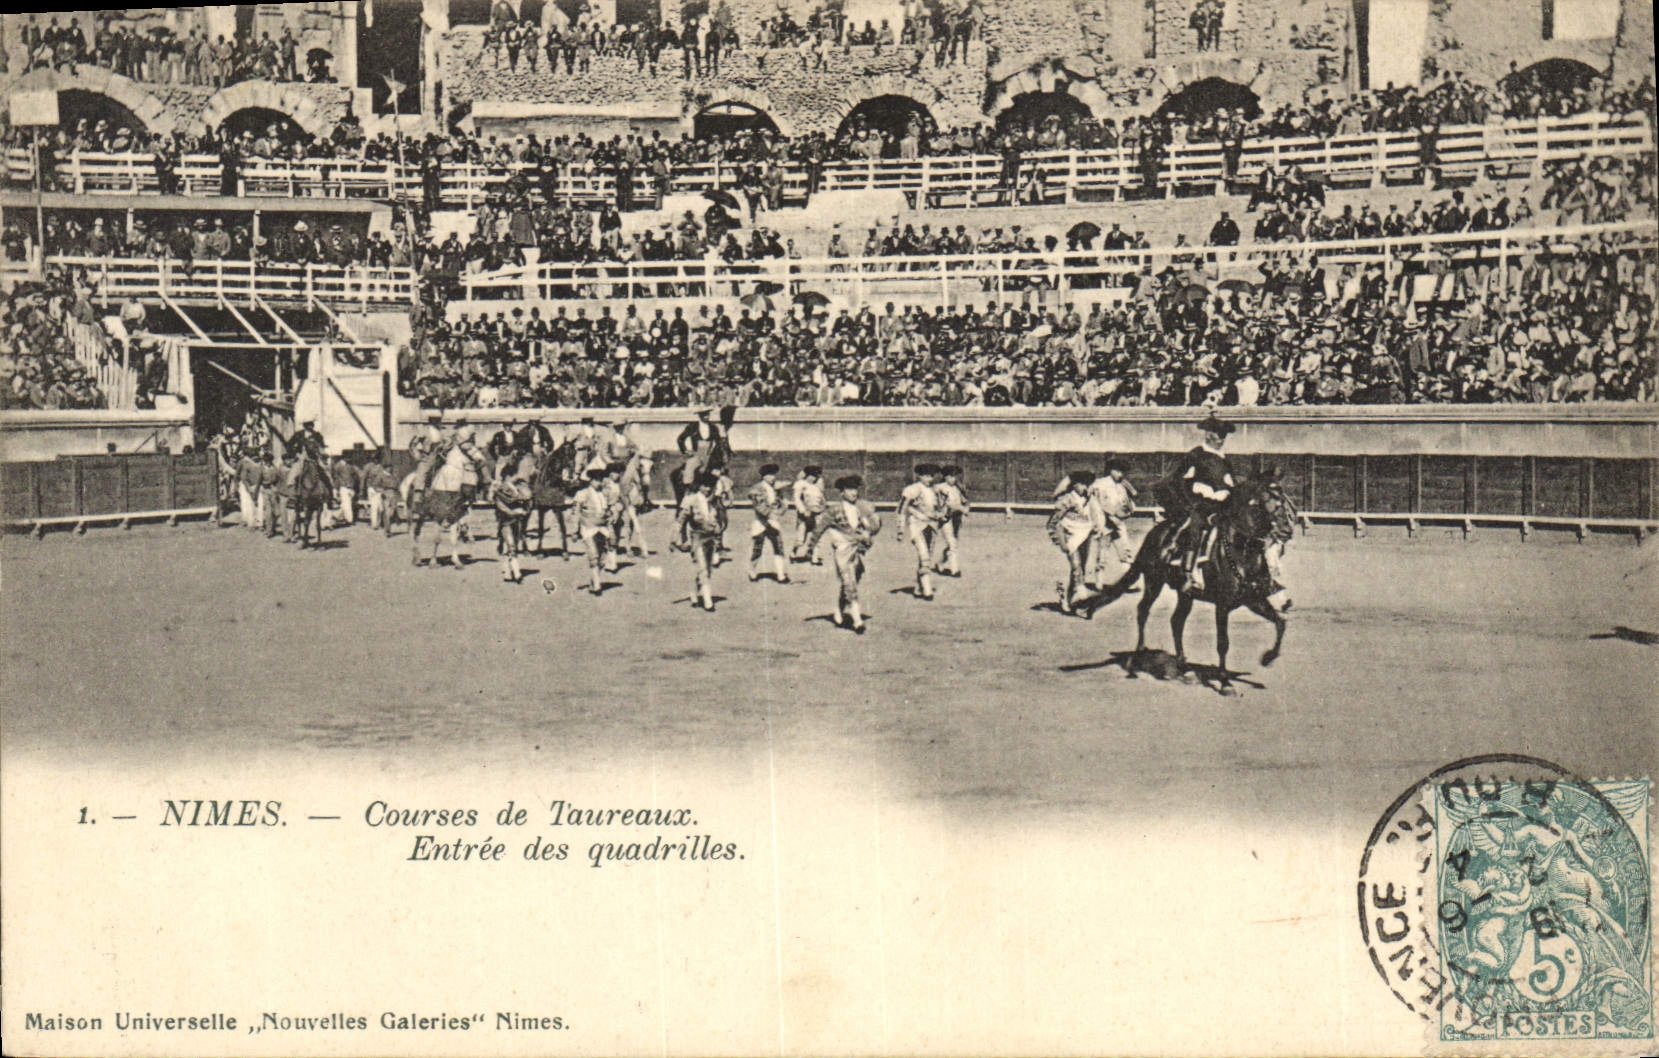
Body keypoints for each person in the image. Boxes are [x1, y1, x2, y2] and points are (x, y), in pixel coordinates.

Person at [1166, 414, 1237, 593]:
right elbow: (1179, 480)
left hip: (1221, 506)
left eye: (1224, 435)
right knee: (1195, 527)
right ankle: (1189, 570)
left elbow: (1231, 484)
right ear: (1208, 435)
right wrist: (1190, 503)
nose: (1221, 439)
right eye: (1218, 434)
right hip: (1200, 504)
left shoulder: (1224, 460)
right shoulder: (1196, 455)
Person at [805, 474, 882, 633]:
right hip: (842, 550)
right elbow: (819, 529)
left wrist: (870, 529)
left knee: (852, 579)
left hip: (857, 549)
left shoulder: (862, 508)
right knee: (849, 581)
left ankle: (839, 610)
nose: (854, 492)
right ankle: (857, 621)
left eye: (855, 489)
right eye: (849, 489)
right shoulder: (834, 510)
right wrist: (809, 549)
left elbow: (873, 527)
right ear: (842, 492)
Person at [1048, 469, 1096, 615]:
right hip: (1069, 536)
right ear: (1074, 485)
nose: (1085, 487)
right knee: (1076, 566)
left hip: (1085, 535)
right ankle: (1083, 599)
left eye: (1087, 484)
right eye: (1082, 484)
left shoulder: (1089, 497)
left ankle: (1067, 600)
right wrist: (1060, 542)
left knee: (1079, 568)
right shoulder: (1067, 499)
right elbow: (1053, 522)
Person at [675, 471, 723, 612]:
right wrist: (674, 539)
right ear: (699, 485)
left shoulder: (713, 501)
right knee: (702, 569)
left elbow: (717, 519)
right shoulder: (691, 499)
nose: (708, 489)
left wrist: (718, 531)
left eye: (710, 486)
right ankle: (708, 601)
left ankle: (693, 593)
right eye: (705, 486)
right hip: (697, 537)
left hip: (711, 538)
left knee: (707, 569)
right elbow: (680, 521)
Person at [896, 463, 944, 599]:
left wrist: (941, 515)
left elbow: (939, 509)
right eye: (927, 476)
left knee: (926, 556)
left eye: (932, 476)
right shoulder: (913, 489)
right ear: (920, 476)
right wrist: (900, 529)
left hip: (932, 525)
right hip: (917, 525)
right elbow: (901, 508)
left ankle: (918, 588)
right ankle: (927, 590)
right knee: (924, 556)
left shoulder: (935, 490)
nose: (930, 479)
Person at [1089, 459, 1139, 586]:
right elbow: (1101, 504)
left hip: (1118, 523)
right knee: (1103, 553)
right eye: (1118, 471)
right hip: (1105, 524)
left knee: (1125, 551)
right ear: (1111, 470)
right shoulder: (1100, 484)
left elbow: (1127, 503)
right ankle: (1099, 582)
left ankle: (1127, 582)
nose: (1120, 474)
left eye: (1122, 471)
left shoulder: (1122, 485)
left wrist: (1130, 509)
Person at [1259, 463, 1297, 611]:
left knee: (1272, 566)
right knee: (1272, 566)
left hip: (1273, 539)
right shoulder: (1276, 498)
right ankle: (1281, 600)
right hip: (1271, 538)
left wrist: (1277, 537)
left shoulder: (1275, 498)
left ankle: (1279, 599)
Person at [572, 465, 616, 594]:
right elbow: (576, 512)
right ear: (590, 481)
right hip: (588, 527)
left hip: (603, 528)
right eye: (596, 480)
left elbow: (611, 508)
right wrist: (575, 531)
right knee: (594, 556)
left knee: (603, 558)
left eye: (600, 480)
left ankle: (594, 581)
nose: (598, 482)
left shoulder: (605, 494)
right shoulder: (583, 494)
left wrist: (612, 515)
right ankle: (597, 586)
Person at [746, 463, 792, 584]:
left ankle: (781, 575)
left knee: (778, 547)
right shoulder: (757, 488)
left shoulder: (776, 489)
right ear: (763, 476)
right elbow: (759, 507)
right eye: (769, 475)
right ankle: (752, 570)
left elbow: (781, 505)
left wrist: (782, 509)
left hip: (773, 521)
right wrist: (773, 513)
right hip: (761, 522)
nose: (773, 477)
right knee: (757, 549)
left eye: (774, 475)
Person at [492, 454, 533, 584]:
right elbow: (502, 506)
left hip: (516, 521)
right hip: (506, 521)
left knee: (513, 545)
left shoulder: (519, 488)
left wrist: (523, 510)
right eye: (513, 475)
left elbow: (528, 500)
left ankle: (508, 571)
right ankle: (517, 573)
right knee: (511, 545)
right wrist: (516, 511)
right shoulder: (501, 490)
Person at [934, 464, 968, 577]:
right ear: (945, 476)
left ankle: (939, 564)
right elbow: (947, 504)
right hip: (945, 518)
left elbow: (964, 501)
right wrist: (962, 508)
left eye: (954, 476)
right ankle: (955, 570)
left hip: (956, 518)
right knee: (952, 543)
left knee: (952, 544)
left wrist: (965, 507)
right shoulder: (940, 488)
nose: (953, 479)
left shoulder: (957, 487)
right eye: (951, 476)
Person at [790, 464, 825, 564]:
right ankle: (793, 553)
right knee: (801, 539)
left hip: (817, 513)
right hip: (805, 514)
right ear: (807, 475)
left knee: (817, 535)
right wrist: (803, 510)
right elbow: (796, 499)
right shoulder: (801, 484)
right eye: (811, 475)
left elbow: (822, 500)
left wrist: (822, 509)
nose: (813, 478)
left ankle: (814, 558)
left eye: (815, 476)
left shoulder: (818, 486)